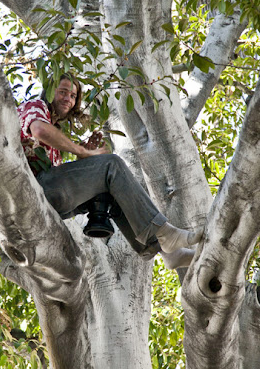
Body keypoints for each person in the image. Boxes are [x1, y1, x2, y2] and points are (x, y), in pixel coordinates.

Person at [18, 73, 202, 268]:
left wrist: (83, 162)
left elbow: (59, 180)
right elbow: (39, 130)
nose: (68, 99)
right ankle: (164, 232)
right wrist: (82, 151)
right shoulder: (35, 106)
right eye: (63, 92)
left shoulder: (54, 129)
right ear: (49, 91)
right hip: (32, 192)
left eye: (73, 96)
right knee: (111, 165)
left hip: (49, 203)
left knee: (111, 189)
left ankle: (166, 252)